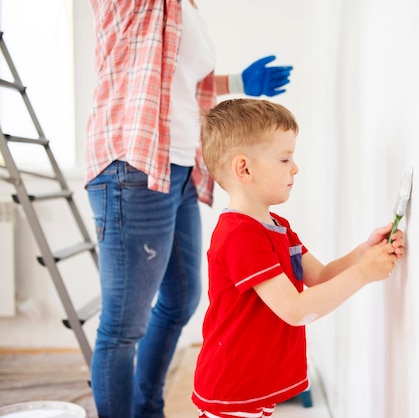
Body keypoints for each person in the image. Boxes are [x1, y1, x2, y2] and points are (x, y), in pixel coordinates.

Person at [84, 1, 293, 417]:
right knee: (124, 326)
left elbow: (178, 80)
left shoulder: (186, 7)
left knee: (182, 299)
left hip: (179, 167)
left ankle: (147, 409)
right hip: (134, 167)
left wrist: (237, 80)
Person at [192, 98, 406, 418]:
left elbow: (319, 277)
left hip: (256, 383)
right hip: (234, 386)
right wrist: (364, 272)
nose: (295, 167)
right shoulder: (239, 235)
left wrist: (364, 252)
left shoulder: (279, 228)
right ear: (244, 168)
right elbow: (295, 309)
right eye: (284, 158)